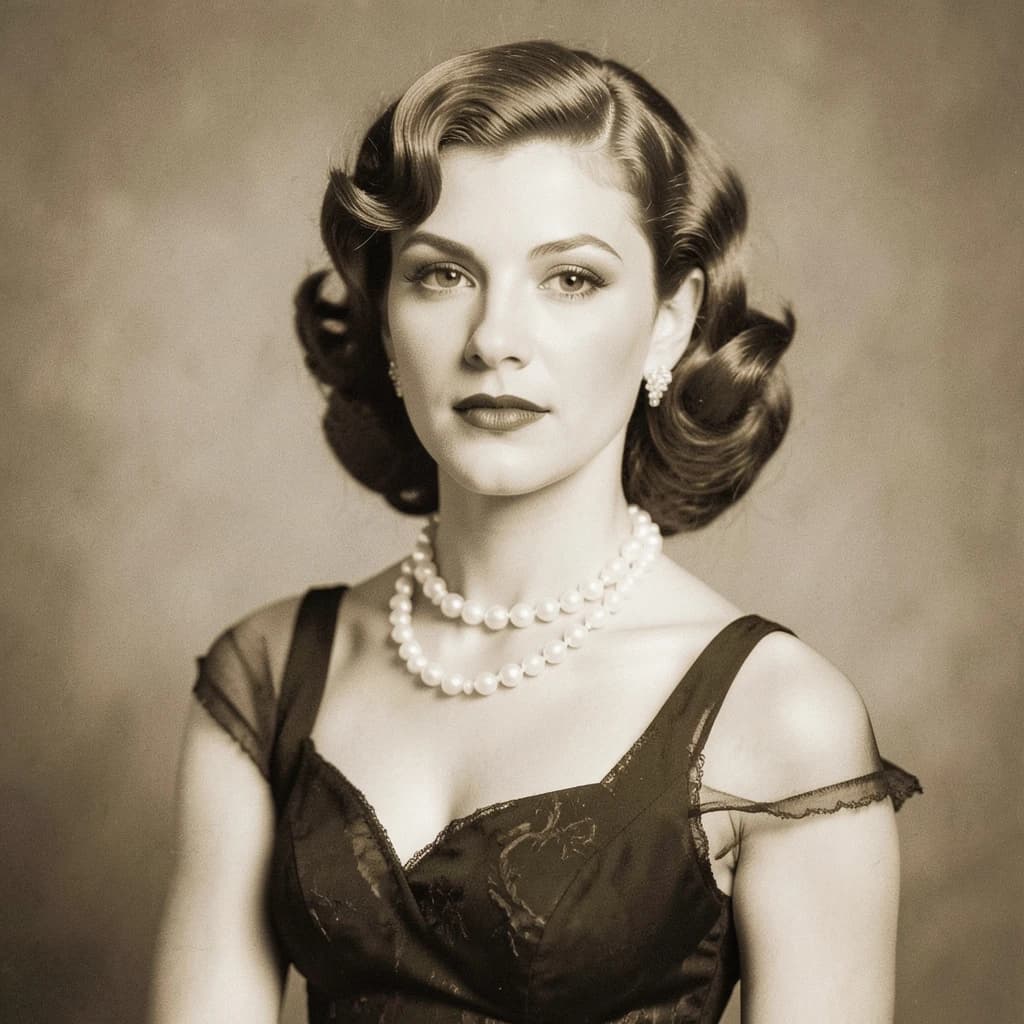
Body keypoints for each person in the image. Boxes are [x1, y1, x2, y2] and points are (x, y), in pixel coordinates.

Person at [149, 40, 920, 1024]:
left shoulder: (779, 718)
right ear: (383, 319)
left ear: (669, 322)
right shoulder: (266, 675)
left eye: (570, 280)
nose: (494, 338)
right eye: (440, 274)